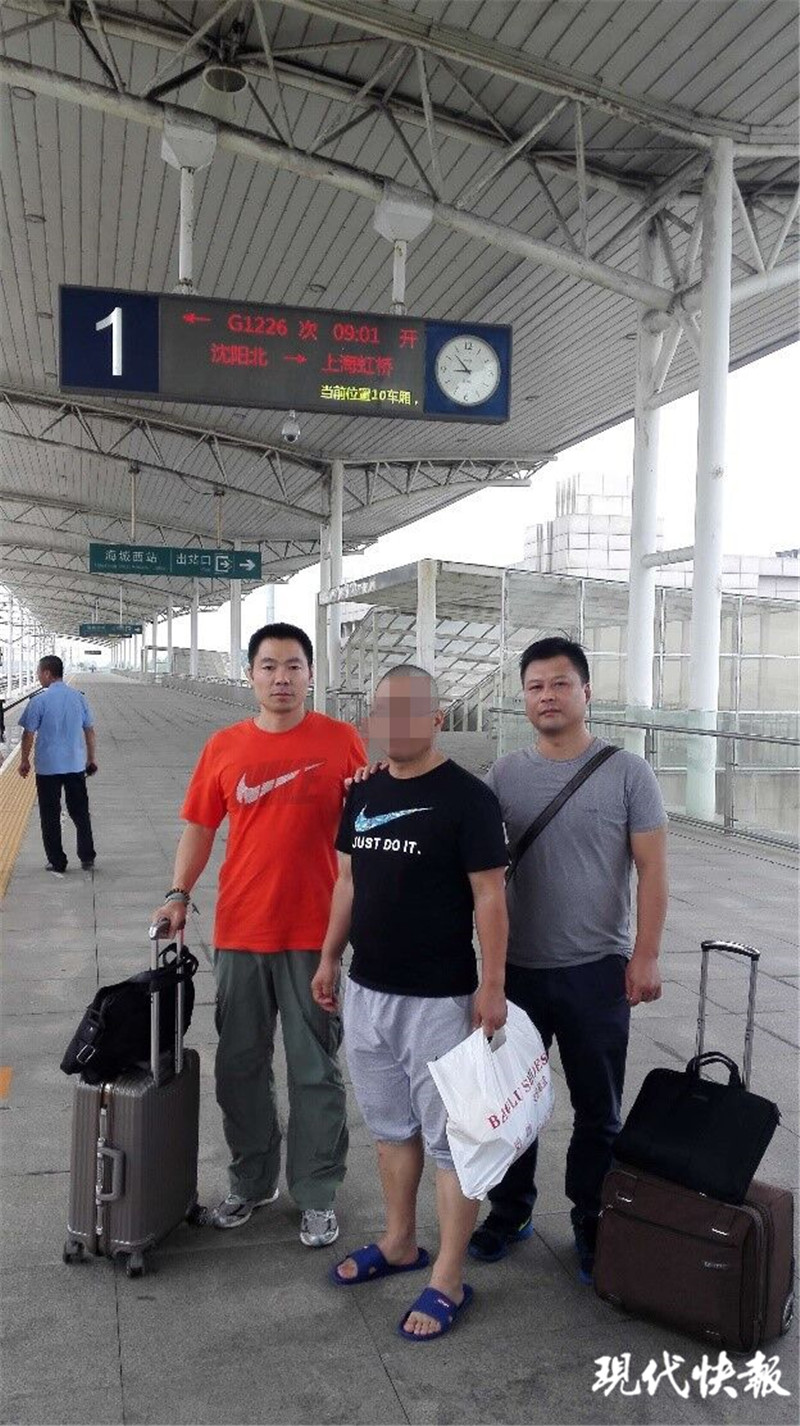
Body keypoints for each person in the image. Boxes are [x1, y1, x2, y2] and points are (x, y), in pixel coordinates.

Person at [152, 622, 367, 1248]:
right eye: (269, 666)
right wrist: (178, 893)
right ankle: (251, 1180)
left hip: (315, 937)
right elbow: (200, 827)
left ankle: (317, 1192)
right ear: (250, 675)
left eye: (294, 665)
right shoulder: (224, 747)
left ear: (310, 674)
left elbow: (369, 824)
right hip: (242, 931)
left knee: (314, 1069)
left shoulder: (342, 741)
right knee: (240, 1066)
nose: (281, 678)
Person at [312, 664, 508, 1341]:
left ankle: (447, 1276)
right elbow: (347, 881)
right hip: (367, 992)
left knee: (452, 1143)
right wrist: (330, 956)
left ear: (437, 718)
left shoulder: (468, 798)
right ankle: (399, 1242)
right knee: (391, 1130)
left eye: (408, 709)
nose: (393, 723)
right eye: (382, 711)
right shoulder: (363, 793)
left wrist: (491, 985)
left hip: (439, 1000)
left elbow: (490, 896)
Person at [467, 636, 668, 1283]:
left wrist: (645, 955)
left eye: (559, 684)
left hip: (597, 969)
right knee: (512, 1105)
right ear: (524, 698)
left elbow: (652, 869)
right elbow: (461, 849)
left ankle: (592, 1217)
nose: (547, 696)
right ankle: (510, 1212)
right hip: (518, 971)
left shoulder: (628, 772)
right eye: (535, 686)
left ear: (586, 692)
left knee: (598, 1110)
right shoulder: (504, 775)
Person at [18, 655, 97, 874]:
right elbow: (89, 731)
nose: (37, 676)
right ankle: (87, 857)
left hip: (48, 768)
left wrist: (24, 761)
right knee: (80, 812)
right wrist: (91, 758)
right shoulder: (79, 698)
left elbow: (28, 733)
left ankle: (57, 861)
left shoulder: (39, 701)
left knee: (50, 814)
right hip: (74, 765)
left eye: (38, 672)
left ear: (46, 673)